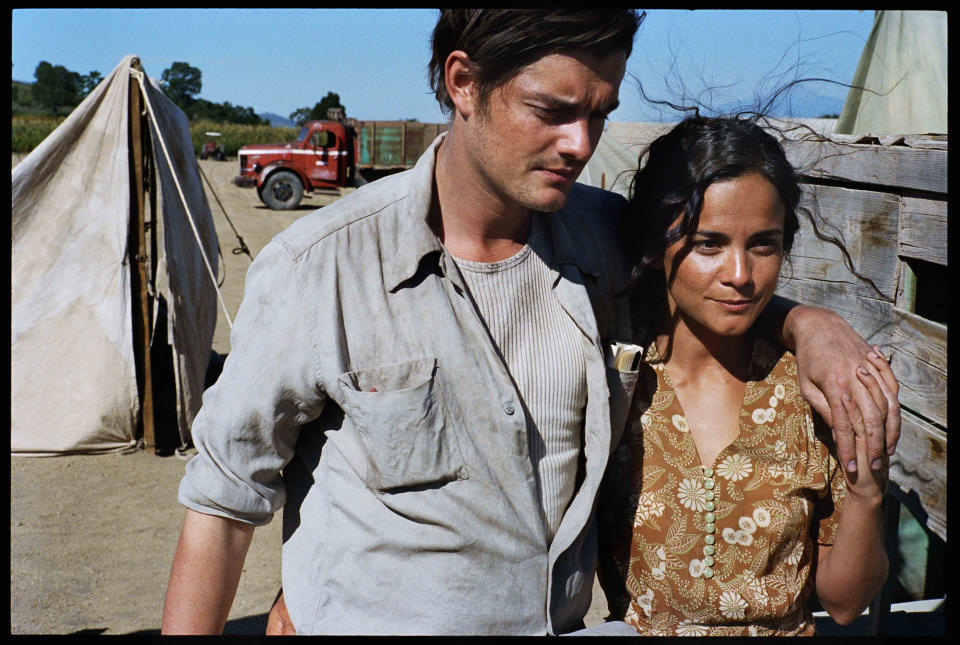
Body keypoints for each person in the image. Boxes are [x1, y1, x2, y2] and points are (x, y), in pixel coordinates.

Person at [162, 10, 898, 636]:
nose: (582, 143)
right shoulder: (319, 268)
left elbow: (716, 279)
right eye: (553, 111)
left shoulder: (604, 246)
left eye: (600, 113)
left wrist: (809, 324)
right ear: (463, 83)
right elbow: (221, 511)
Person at [595, 115, 895, 636]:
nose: (740, 274)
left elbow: (846, 605)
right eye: (708, 243)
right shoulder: (618, 386)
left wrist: (868, 492)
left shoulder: (812, 392)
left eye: (763, 244)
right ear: (656, 241)